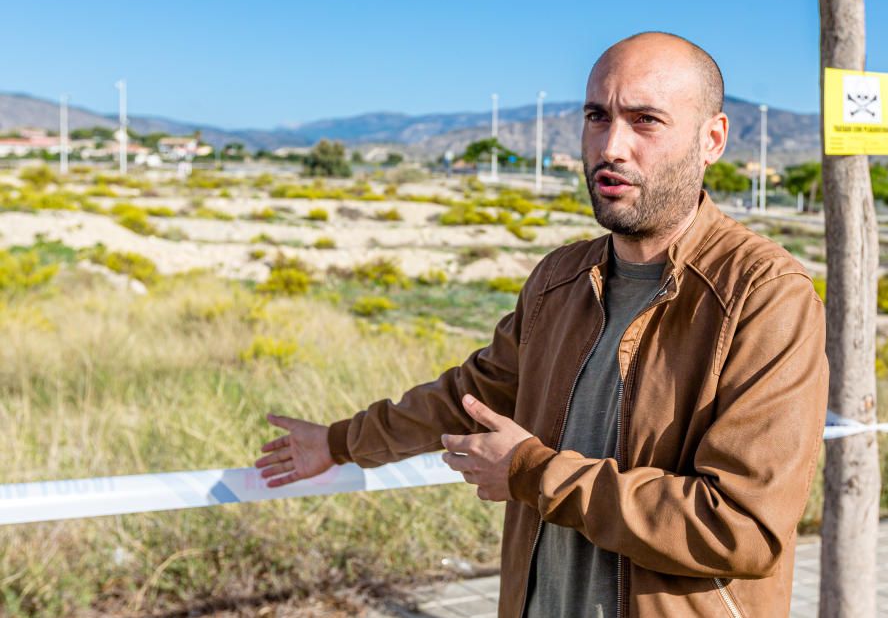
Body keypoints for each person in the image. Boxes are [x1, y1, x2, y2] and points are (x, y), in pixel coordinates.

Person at [255, 31, 828, 618]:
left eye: (646, 120)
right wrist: (337, 443)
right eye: (596, 117)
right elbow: (466, 397)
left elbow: (742, 527)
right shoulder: (560, 280)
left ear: (712, 140)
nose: (612, 146)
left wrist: (532, 472)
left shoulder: (763, 297)